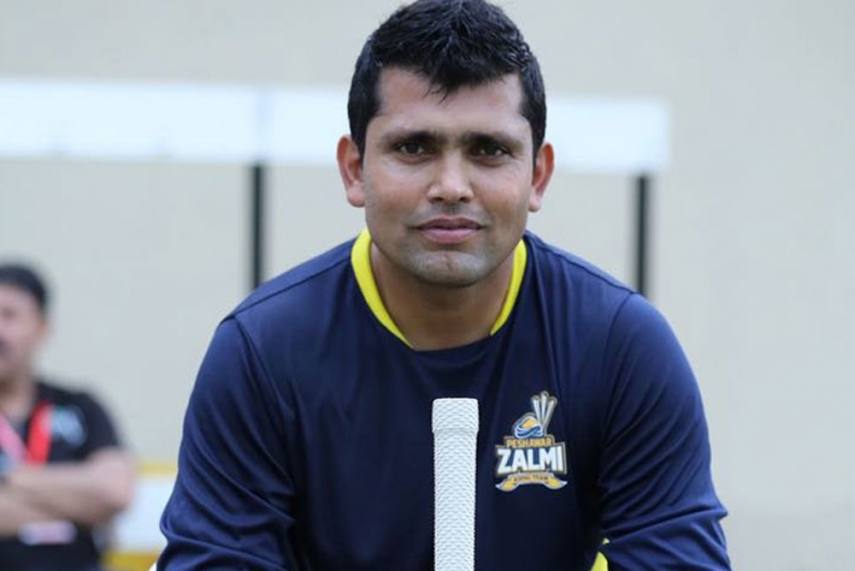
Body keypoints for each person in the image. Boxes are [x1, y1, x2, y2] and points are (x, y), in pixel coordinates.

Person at [159, 0, 730, 568]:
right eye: (414, 148)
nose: (452, 185)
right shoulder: (264, 351)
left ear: (538, 175)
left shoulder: (619, 345)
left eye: (489, 150)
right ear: (355, 169)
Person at [0, 263, 135, 571]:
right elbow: (97, 499)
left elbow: (114, 491)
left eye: (9, 316)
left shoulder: (81, 407)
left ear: (42, 328)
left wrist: (10, 477)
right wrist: (77, 506)